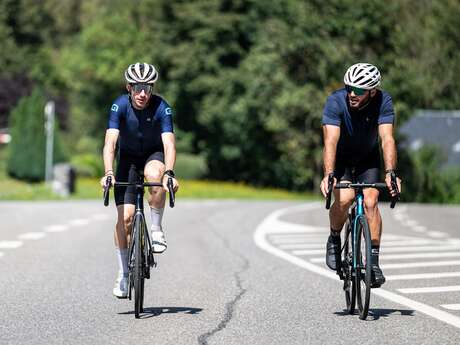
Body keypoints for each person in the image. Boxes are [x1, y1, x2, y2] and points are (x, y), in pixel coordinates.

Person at [100, 62, 179, 298]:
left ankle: (156, 229)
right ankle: (124, 273)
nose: (143, 93)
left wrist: (170, 173)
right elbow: (110, 142)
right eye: (138, 88)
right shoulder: (119, 105)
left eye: (147, 87)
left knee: (155, 175)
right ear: (129, 87)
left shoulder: (162, 107)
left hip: (153, 155)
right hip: (127, 161)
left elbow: (169, 144)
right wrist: (108, 172)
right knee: (124, 219)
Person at [320, 62, 401, 288]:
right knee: (344, 199)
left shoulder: (383, 101)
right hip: (341, 159)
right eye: (349, 87)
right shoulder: (335, 101)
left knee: (371, 201)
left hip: (367, 159)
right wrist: (329, 174)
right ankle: (335, 238)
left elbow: (387, 139)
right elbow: (330, 141)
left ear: (372, 91)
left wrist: (391, 173)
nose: (351, 94)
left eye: (358, 90)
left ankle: (373, 263)